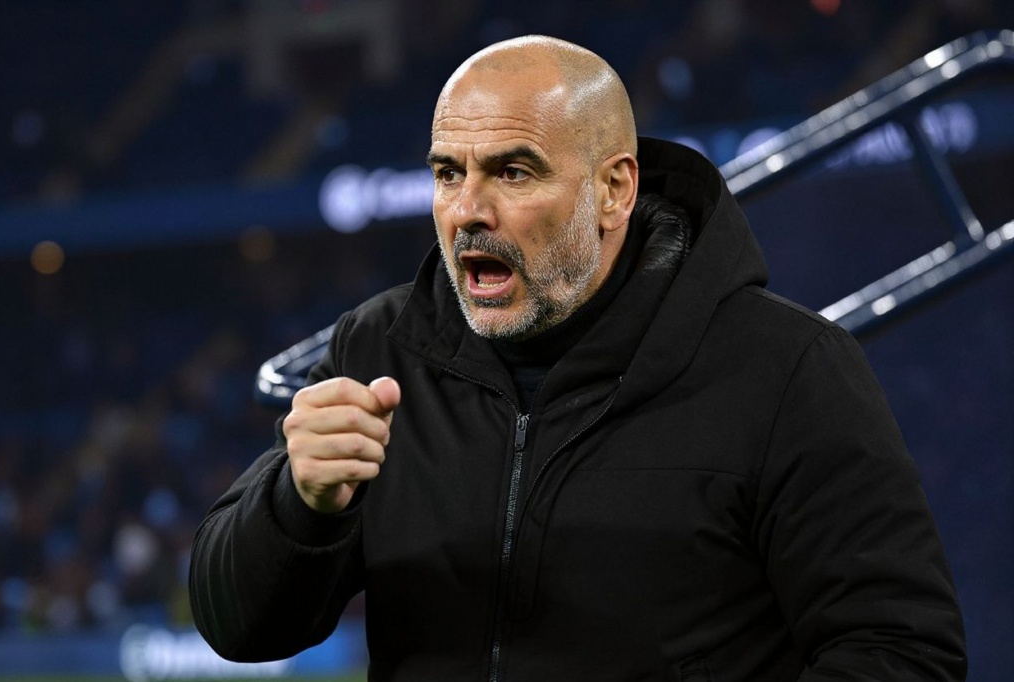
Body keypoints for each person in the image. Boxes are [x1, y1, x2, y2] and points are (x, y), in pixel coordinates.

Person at [189, 35, 967, 681]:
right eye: (447, 173)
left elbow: (902, 652)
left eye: (513, 171)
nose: (468, 211)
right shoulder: (381, 348)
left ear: (614, 190)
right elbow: (235, 626)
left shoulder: (787, 368)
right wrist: (299, 505)